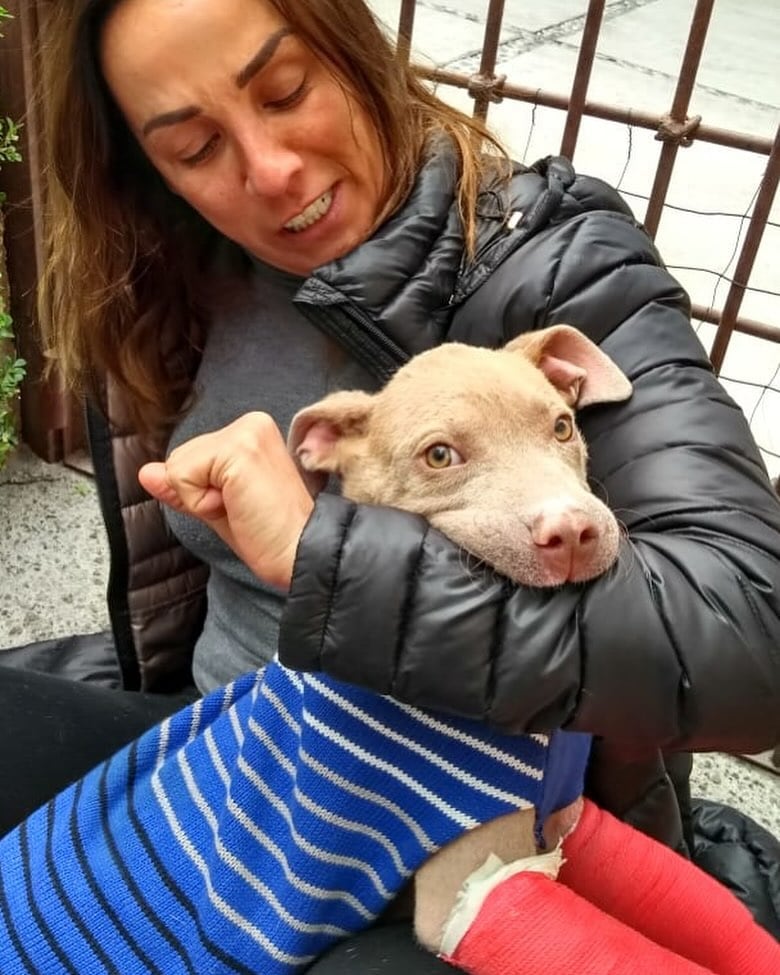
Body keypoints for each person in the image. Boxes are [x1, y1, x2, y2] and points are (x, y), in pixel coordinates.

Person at [0, 0, 778, 969]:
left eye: (285, 92)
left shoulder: (554, 262)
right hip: (235, 742)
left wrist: (319, 558)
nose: (270, 170)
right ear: (147, 171)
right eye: (195, 148)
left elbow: (753, 636)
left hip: (463, 802)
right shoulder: (178, 270)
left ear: (355, 54)